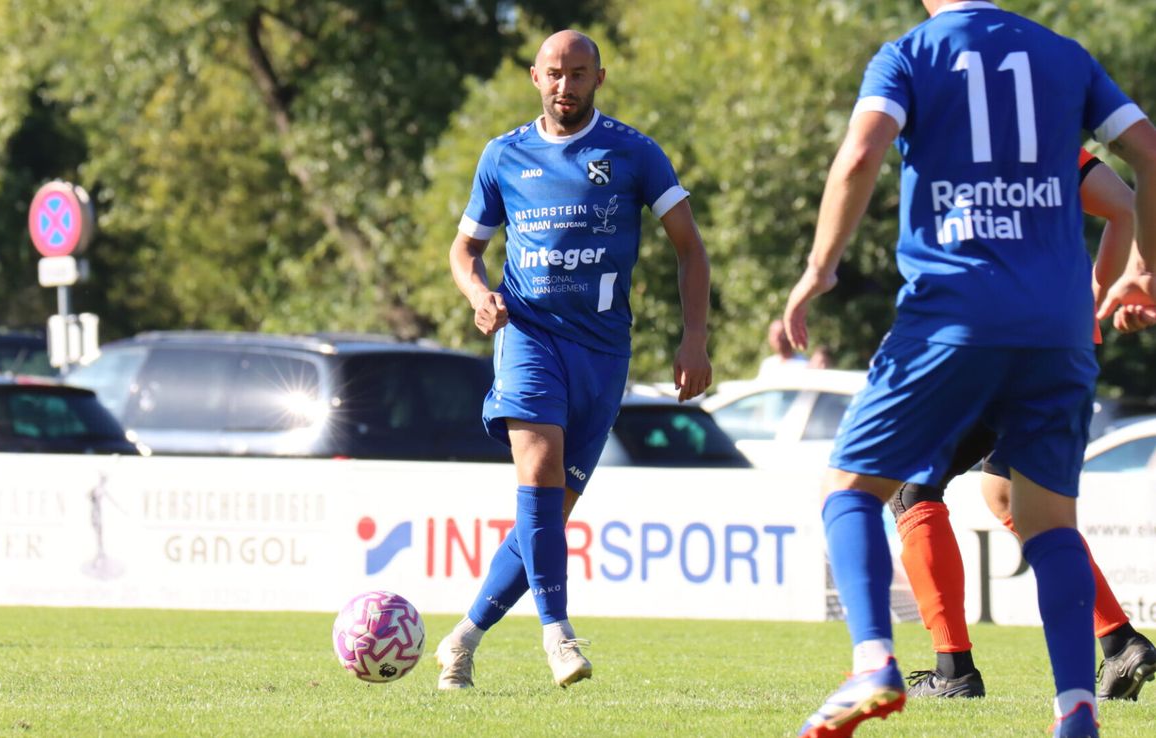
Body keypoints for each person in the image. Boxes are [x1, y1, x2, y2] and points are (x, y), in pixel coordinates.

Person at [782, 2, 1156, 737]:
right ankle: (1078, 710)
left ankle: (882, 665)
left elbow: (858, 155)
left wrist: (819, 270)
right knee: (1045, 521)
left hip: (954, 319)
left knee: (854, 490)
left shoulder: (913, 55)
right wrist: (1140, 268)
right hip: (1057, 334)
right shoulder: (1062, 60)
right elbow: (1144, 160)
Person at [435, 29, 713, 690]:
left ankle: (463, 638)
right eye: (555, 73)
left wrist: (695, 338)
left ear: (599, 78)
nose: (566, 86)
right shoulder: (504, 155)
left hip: (604, 351)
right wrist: (478, 295)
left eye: (579, 73)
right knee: (538, 468)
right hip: (528, 333)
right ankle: (558, 635)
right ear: (536, 77)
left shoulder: (635, 152)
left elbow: (689, 247)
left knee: (548, 515)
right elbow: (465, 250)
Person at [894, 152, 1156, 702]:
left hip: (994, 343)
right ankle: (1120, 643)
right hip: (1065, 345)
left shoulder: (956, 146)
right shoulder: (1054, 142)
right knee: (1012, 499)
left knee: (911, 486)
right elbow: (1126, 207)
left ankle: (952, 669)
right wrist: (1095, 293)